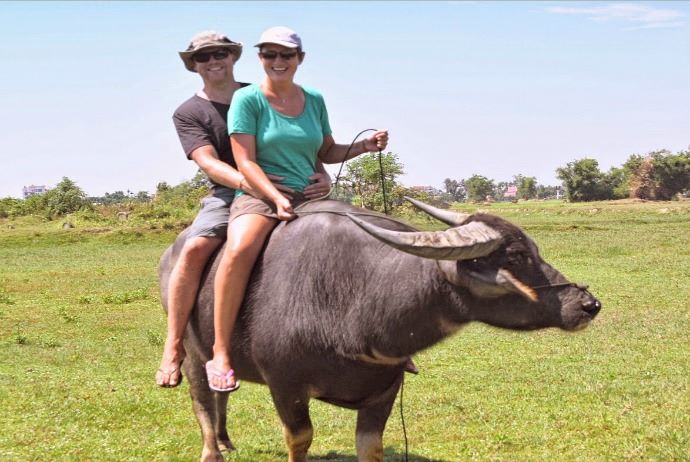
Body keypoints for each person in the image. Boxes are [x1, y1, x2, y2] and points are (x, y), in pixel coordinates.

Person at [205, 26, 389, 391]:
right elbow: (246, 162)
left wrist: (364, 146)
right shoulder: (248, 100)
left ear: (299, 59)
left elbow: (326, 152)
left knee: (364, 245)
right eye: (269, 54)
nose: (278, 61)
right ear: (260, 59)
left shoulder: (314, 99)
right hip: (261, 195)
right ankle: (222, 350)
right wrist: (273, 197)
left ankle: (379, 344)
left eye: (286, 55)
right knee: (240, 248)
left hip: (311, 197)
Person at [156, 30, 331, 387]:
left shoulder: (265, 92)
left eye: (220, 53)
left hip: (293, 187)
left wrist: (322, 174)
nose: (213, 61)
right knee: (195, 247)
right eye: (203, 57)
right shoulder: (190, 112)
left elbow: (304, 143)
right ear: (193, 65)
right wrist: (253, 185)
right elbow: (208, 162)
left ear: (234, 57)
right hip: (230, 192)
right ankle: (174, 345)